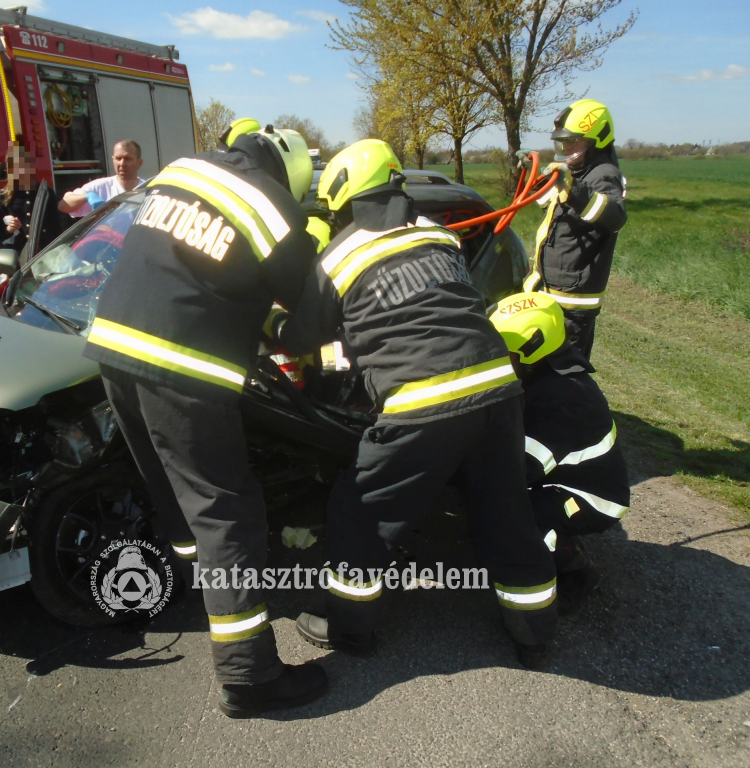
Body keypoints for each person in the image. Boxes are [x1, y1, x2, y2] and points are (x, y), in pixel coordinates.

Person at [266, 139, 559, 669]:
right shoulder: (438, 235)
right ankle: (534, 633)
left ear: (343, 196)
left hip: (423, 403)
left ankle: (348, 628)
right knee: (505, 513)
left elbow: (306, 335)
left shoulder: (341, 254)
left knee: (359, 511)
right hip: (497, 388)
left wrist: (273, 324)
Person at [83, 120, 326, 717]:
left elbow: (192, 267)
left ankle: (212, 600)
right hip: (179, 368)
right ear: (287, 176)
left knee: (176, 497)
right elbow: (316, 316)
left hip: (112, 350)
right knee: (226, 509)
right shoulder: (271, 205)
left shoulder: (182, 170)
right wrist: (282, 327)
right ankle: (249, 676)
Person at [489, 291, 630, 614]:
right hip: (561, 478)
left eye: (503, 352)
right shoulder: (545, 377)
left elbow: (520, 466)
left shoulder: (563, 398)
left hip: (590, 498)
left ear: (531, 348)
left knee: (507, 512)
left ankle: (574, 571)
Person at [521, 99, 628, 359]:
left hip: (572, 300)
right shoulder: (579, 173)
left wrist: (574, 188)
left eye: (574, 141)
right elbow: (551, 204)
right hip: (552, 291)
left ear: (597, 140)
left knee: (566, 376)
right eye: (563, 142)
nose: (567, 148)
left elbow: (614, 217)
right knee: (542, 370)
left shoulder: (604, 174)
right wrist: (534, 177)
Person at [0, 142, 60, 254]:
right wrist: (9, 229)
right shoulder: (2, 196)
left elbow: (55, 227)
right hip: (20, 252)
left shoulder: (45, 192)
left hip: (45, 251)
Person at [59, 139, 145, 217]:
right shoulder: (100, 187)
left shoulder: (149, 190)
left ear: (139, 163)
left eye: (128, 159)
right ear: (113, 160)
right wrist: (87, 196)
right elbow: (63, 206)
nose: (122, 164)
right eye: (118, 158)